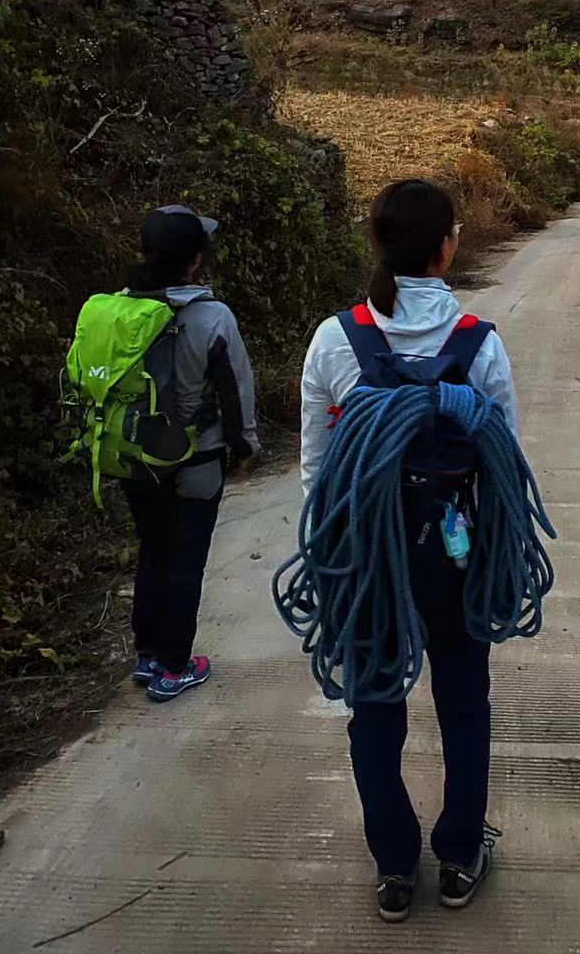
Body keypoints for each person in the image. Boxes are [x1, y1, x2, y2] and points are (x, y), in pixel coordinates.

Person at [300, 179, 518, 921]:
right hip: (454, 558)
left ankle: (396, 867)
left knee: (374, 707)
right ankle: (459, 856)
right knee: (462, 702)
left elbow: (316, 469)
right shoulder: (479, 345)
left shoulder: (335, 340)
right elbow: (506, 465)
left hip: (366, 559)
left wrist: (340, 551)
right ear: (447, 247)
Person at [122, 205, 259, 702]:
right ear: (194, 262)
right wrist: (245, 447)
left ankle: (147, 655)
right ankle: (176, 666)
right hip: (197, 457)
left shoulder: (118, 309)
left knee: (154, 551)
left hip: (134, 457)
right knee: (186, 560)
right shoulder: (212, 316)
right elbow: (235, 390)